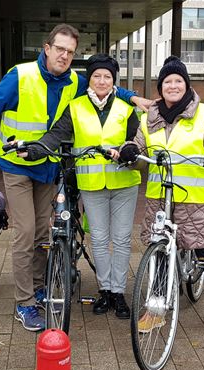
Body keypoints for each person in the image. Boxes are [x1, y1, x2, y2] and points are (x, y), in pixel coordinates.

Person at [0, 24, 153, 331]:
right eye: (60, 49)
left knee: (44, 234)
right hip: (18, 164)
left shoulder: (74, 81)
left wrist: (133, 98)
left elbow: (106, 85)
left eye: (70, 52)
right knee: (26, 233)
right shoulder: (21, 76)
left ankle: (40, 288)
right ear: (47, 48)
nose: (65, 56)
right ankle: (25, 303)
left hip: (49, 167)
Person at [120, 56, 204, 336]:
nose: (173, 85)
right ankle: (157, 310)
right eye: (167, 81)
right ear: (161, 87)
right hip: (161, 199)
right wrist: (128, 151)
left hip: (198, 200)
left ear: (186, 85)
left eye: (178, 81)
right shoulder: (151, 116)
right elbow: (138, 146)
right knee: (160, 252)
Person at [19, 54, 140, 319]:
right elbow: (56, 135)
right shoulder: (75, 107)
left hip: (124, 183)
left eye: (107, 76)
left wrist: (127, 150)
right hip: (91, 183)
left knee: (120, 240)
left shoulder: (126, 109)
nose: (102, 80)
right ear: (90, 79)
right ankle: (105, 290)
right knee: (98, 238)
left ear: (114, 81)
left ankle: (119, 293)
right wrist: (37, 149)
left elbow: (137, 141)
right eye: (97, 75)